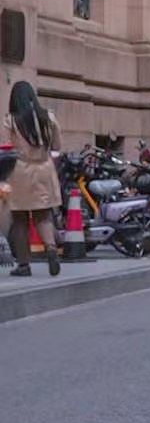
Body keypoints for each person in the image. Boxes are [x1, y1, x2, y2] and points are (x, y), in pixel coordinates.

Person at [2, 81, 63, 277]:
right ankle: (51, 249)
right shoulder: (48, 117)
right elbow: (57, 145)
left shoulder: (11, 121)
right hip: (44, 169)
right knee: (43, 214)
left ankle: (24, 265)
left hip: (19, 170)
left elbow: (5, 146)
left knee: (19, 218)